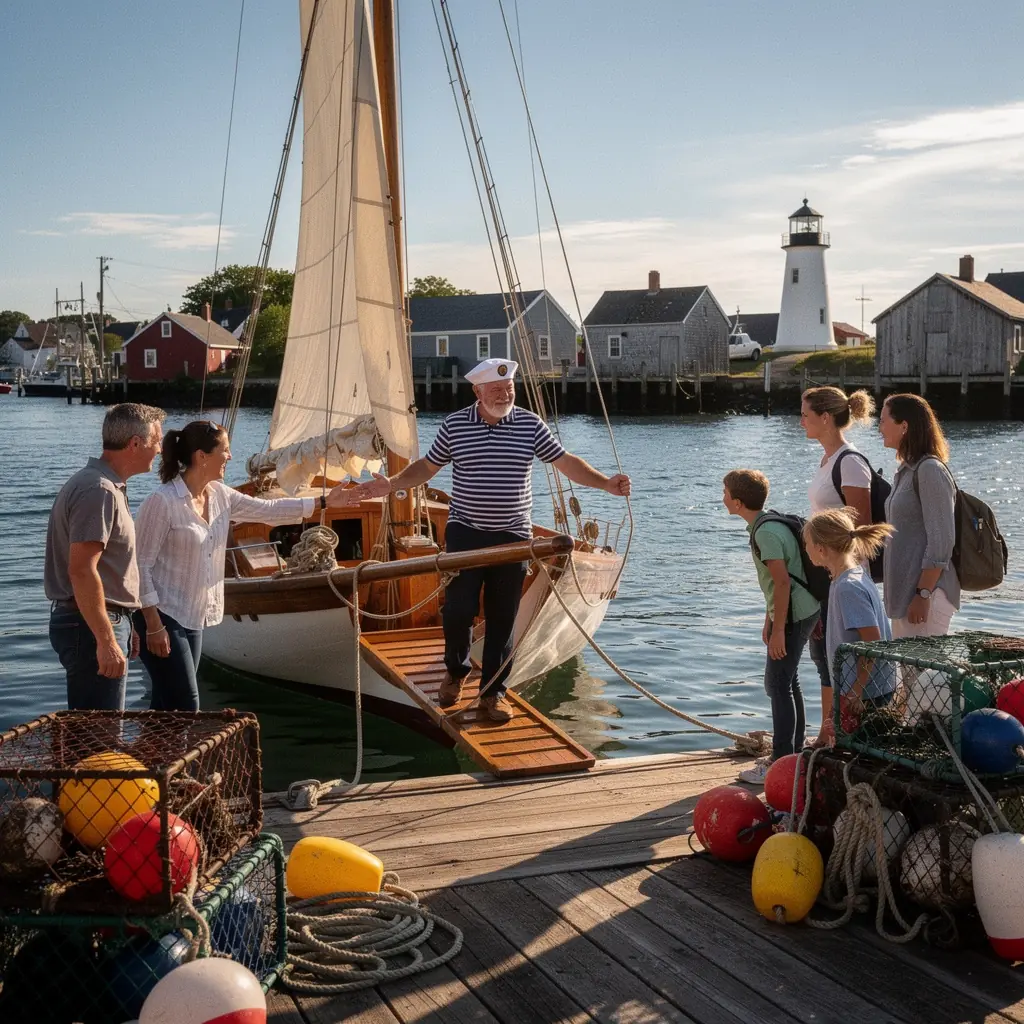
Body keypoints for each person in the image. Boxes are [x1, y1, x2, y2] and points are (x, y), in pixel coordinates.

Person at [342, 358, 630, 723]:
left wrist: (606, 483)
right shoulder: (456, 425)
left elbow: (565, 461)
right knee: (459, 609)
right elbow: (428, 467)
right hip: (465, 531)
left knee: (502, 617)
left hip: (513, 534)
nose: (503, 394)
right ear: (477, 391)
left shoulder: (529, 424)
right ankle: (456, 671)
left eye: (508, 388)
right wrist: (393, 483)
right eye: (495, 390)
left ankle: (493, 693)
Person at [134, 420, 355, 711]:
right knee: (187, 705)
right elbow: (139, 566)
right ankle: (176, 755)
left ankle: (152, 755)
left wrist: (324, 502)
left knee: (167, 704)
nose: (230, 457)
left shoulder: (221, 495)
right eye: (225, 450)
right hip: (163, 616)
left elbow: (268, 511)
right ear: (202, 456)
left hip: (195, 616)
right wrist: (152, 626)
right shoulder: (161, 502)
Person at [45, 403, 167, 710]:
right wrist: (107, 638)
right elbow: (82, 571)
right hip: (88, 626)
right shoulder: (98, 490)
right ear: (135, 444)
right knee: (99, 742)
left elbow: (108, 568)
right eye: (157, 441)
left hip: (99, 621)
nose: (161, 450)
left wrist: (125, 623)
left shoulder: (106, 486)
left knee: (94, 736)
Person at [723, 469, 819, 784]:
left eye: (725, 493)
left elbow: (780, 582)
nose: (722, 498)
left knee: (777, 684)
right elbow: (780, 581)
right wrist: (770, 618)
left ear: (737, 502)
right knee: (788, 681)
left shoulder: (764, 533)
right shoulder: (769, 521)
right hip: (802, 610)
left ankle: (780, 762)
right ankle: (794, 753)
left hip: (793, 614)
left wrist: (778, 628)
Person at [799, 385, 876, 744]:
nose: (801, 421)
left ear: (825, 418)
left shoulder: (850, 461)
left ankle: (834, 732)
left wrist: (843, 580)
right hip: (826, 573)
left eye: (805, 414)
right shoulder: (826, 460)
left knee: (840, 652)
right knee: (822, 654)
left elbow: (860, 530)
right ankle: (827, 731)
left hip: (843, 575)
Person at [803, 507, 896, 746]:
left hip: (866, 694)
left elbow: (872, 640)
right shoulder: (850, 576)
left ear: (821, 549)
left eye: (807, 544)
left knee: (863, 757)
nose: (806, 549)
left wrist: (856, 689)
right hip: (862, 688)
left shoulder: (848, 587)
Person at [879, 394, 959, 637]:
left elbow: (941, 541)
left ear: (904, 426)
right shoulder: (905, 471)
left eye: (883, 421)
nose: (879, 427)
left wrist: (922, 593)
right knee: (907, 676)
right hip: (906, 596)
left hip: (926, 596)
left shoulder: (930, 470)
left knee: (926, 675)